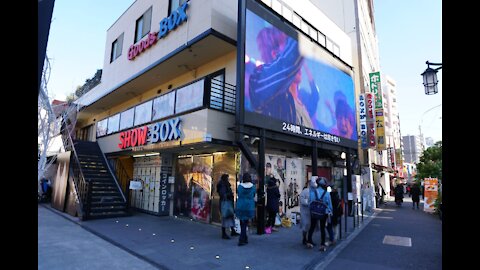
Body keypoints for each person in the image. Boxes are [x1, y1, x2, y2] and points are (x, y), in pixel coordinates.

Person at [306, 177, 333, 252]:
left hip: (314, 212)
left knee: (312, 226)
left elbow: (309, 203)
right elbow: (329, 205)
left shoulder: (312, 193)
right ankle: (322, 244)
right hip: (323, 212)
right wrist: (330, 211)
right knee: (322, 228)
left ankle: (309, 241)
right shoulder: (327, 194)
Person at [235, 173, 256, 246]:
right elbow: (253, 195)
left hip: (240, 205)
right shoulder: (253, 187)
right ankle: (242, 238)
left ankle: (244, 238)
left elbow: (238, 194)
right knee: (245, 222)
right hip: (249, 206)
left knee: (242, 222)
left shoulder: (240, 187)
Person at [216, 174, 239, 239]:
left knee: (229, 216)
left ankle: (232, 230)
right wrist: (229, 195)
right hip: (225, 203)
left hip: (226, 202)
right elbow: (223, 194)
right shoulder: (223, 185)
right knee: (226, 217)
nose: (228, 179)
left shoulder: (224, 184)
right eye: (227, 178)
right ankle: (224, 233)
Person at [299, 180, 312, 246]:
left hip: (308, 212)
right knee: (306, 226)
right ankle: (305, 239)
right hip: (305, 211)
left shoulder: (311, 191)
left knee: (308, 226)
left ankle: (307, 239)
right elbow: (303, 201)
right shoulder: (305, 191)